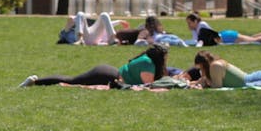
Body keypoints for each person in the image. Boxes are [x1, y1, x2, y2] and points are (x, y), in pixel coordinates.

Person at [18, 43, 169, 87]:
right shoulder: (148, 63)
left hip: (108, 71)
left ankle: (36, 82)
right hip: (107, 75)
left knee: (72, 80)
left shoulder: (145, 59)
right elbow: (148, 84)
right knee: (71, 81)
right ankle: (35, 82)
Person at [185, 12, 261, 45]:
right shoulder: (196, 29)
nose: (188, 25)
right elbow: (196, 41)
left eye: (190, 23)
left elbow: (209, 36)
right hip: (226, 35)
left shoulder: (202, 25)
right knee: (251, 38)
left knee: (253, 41)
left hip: (226, 37)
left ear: (195, 21)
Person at [57, 11, 128, 45]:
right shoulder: (65, 34)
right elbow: (64, 31)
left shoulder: (105, 33)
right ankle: (80, 40)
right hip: (82, 38)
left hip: (93, 38)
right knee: (80, 14)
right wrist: (119, 22)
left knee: (104, 15)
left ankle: (112, 40)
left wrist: (119, 21)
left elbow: (104, 24)